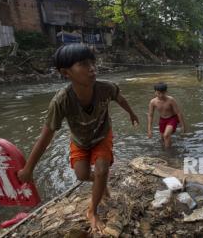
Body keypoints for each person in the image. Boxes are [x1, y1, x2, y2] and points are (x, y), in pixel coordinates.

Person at [17, 44, 139, 234]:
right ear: (66, 73)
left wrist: (131, 113)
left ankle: (93, 210)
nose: (92, 68)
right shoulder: (61, 101)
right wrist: (28, 169)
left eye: (92, 63)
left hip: (102, 135)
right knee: (81, 175)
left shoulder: (106, 88)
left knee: (101, 169)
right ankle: (101, 184)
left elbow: (120, 98)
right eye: (83, 64)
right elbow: (45, 137)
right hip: (80, 140)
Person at [147, 82, 186, 147]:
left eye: (163, 93)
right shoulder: (153, 102)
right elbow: (150, 115)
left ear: (166, 92)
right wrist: (149, 129)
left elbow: (178, 113)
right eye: (158, 93)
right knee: (163, 139)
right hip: (162, 120)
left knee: (166, 135)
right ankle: (168, 149)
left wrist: (182, 126)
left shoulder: (171, 100)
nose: (161, 95)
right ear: (155, 92)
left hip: (172, 118)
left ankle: (168, 155)